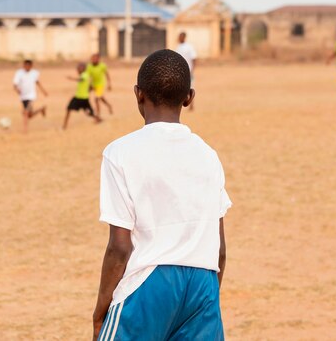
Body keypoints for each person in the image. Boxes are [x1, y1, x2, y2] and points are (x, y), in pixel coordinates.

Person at [92, 49, 232, 341]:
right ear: (189, 97)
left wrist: (100, 312)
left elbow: (119, 248)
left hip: (148, 285)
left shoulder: (120, 152)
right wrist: (203, 301)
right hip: (204, 283)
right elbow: (219, 249)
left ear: (138, 95)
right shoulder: (208, 155)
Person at [13, 59, 48, 133]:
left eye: (28, 66)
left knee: (25, 112)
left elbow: (37, 82)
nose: (27, 67)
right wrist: (17, 90)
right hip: (23, 96)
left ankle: (25, 130)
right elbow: (15, 84)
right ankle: (41, 109)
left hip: (31, 96)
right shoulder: (19, 73)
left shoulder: (35, 73)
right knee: (29, 115)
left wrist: (43, 91)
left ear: (31, 66)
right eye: (25, 65)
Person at [63, 62, 102, 130]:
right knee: (70, 109)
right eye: (77, 68)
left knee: (88, 112)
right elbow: (89, 86)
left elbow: (81, 80)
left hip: (82, 98)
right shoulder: (85, 75)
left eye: (79, 68)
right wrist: (91, 88)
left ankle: (98, 119)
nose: (77, 70)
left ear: (83, 68)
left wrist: (71, 78)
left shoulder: (85, 75)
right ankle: (64, 125)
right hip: (79, 97)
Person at [175, 32, 197, 111]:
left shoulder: (189, 47)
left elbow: (194, 58)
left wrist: (192, 70)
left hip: (188, 70)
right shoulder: (178, 47)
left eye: (180, 37)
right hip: (180, 71)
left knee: (190, 87)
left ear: (184, 37)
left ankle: (192, 105)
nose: (179, 38)